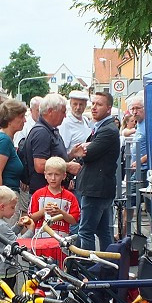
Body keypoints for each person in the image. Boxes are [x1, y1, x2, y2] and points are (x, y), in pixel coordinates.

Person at [68, 90, 122, 252]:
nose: (94, 108)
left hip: (95, 189)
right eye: (93, 104)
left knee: (85, 232)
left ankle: (88, 269)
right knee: (103, 231)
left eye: (99, 104)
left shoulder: (107, 130)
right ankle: (107, 266)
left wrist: (78, 152)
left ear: (108, 108)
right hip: (99, 188)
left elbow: (87, 154)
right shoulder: (101, 127)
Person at [23, 93, 80, 194]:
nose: (65, 115)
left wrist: (71, 155)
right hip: (45, 194)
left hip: (52, 192)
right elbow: (40, 165)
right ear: (50, 111)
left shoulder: (50, 130)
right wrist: (68, 166)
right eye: (63, 112)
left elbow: (54, 158)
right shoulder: (41, 132)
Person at [22, 156, 80, 235]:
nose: (53, 178)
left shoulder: (70, 197)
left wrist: (60, 213)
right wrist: (43, 211)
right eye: (50, 174)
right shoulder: (38, 195)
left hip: (60, 240)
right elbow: (30, 218)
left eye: (57, 174)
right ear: (45, 175)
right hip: (40, 240)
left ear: (64, 176)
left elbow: (74, 220)